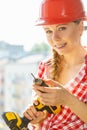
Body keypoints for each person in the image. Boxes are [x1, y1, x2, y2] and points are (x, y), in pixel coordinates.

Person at [24, 0, 87, 129]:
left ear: (80, 26)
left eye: (62, 28)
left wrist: (68, 99)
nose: (55, 38)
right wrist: (38, 119)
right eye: (48, 31)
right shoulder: (45, 66)